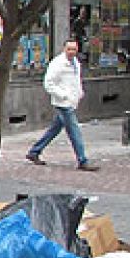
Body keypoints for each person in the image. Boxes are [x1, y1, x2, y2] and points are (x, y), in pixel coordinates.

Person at [26, 39, 98, 171]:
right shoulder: (58, 63)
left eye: (74, 49)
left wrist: (79, 92)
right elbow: (48, 83)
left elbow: (76, 80)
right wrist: (63, 95)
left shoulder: (75, 62)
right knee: (74, 131)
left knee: (55, 129)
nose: (72, 52)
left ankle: (34, 151)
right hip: (63, 103)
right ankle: (82, 160)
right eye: (69, 49)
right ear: (64, 49)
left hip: (71, 101)